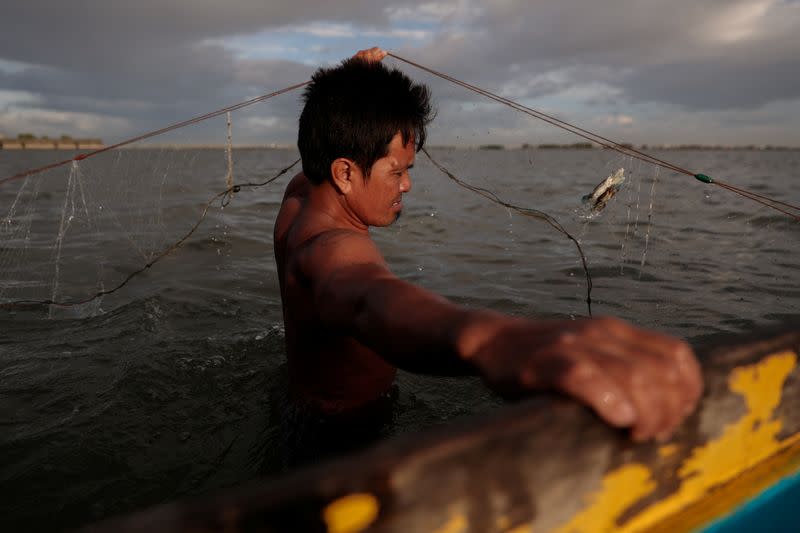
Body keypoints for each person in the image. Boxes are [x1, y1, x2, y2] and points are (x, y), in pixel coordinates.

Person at [273, 47, 702, 459]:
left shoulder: (298, 203)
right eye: (397, 171)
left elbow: (326, 143)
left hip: (298, 413)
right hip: (346, 441)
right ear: (345, 172)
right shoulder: (333, 248)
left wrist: (351, 84)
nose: (406, 185)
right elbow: (369, 300)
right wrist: (498, 340)